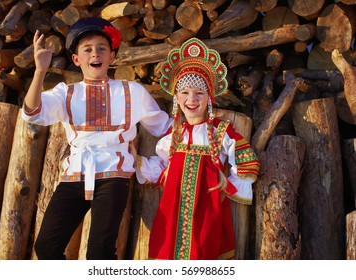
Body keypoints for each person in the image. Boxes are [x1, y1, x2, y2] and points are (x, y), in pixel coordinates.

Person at [21, 17, 171, 260]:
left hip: (114, 174)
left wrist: (199, 123)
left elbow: (164, 126)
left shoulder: (131, 91)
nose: (95, 54)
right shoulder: (66, 93)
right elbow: (32, 113)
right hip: (75, 174)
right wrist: (40, 71)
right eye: (87, 49)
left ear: (111, 56)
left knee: (100, 253)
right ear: (76, 59)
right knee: (46, 247)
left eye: (102, 48)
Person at [129, 38, 260, 260]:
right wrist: (138, 160)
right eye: (185, 92)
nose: (192, 99)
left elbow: (247, 159)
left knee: (202, 252)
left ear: (209, 98)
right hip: (172, 209)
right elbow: (162, 167)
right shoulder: (174, 135)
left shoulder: (221, 132)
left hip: (206, 208)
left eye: (199, 93)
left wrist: (228, 183)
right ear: (176, 98)